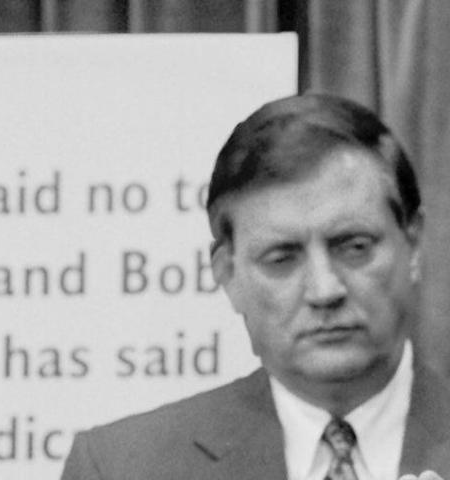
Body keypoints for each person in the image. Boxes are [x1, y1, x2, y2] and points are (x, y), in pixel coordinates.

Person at [61, 94, 450, 480]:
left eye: (354, 248)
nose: (324, 290)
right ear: (228, 274)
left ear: (413, 244)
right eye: (282, 259)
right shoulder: (120, 468)